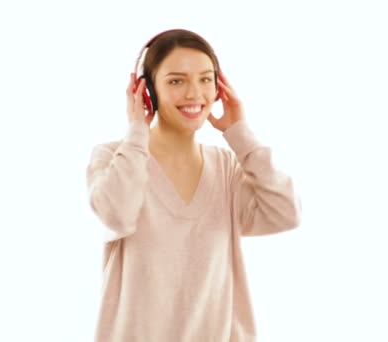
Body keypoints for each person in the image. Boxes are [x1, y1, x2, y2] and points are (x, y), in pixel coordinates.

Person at [85, 28, 302, 342]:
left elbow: (286, 213)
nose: (194, 93)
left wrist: (239, 134)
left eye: (205, 79)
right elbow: (117, 213)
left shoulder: (228, 168)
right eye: (176, 81)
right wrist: (136, 132)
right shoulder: (115, 157)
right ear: (147, 92)